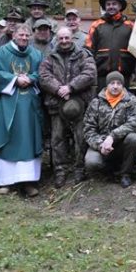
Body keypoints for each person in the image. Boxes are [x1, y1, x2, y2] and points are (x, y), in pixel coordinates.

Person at [0, 24, 45, 197]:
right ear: (14, 35)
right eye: (21, 35)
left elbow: (42, 72)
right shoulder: (1, 53)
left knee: (28, 137)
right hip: (6, 101)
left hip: (29, 102)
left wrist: (30, 78)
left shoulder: (36, 54)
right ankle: (5, 181)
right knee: (6, 136)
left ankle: (28, 181)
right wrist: (14, 79)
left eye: (27, 35)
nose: (24, 38)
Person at [39, 27, 97, 188]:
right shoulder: (49, 57)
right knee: (57, 138)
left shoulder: (84, 54)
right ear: (56, 39)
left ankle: (80, 169)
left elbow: (89, 73)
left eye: (67, 38)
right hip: (56, 103)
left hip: (80, 103)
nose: (64, 41)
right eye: (61, 38)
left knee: (81, 138)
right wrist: (58, 88)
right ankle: (60, 170)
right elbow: (43, 76)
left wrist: (70, 87)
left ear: (72, 38)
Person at [83, 71, 136, 188]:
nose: (115, 86)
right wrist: (100, 145)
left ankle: (125, 173)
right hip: (102, 144)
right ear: (107, 85)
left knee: (134, 138)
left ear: (123, 85)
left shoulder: (131, 101)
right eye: (112, 83)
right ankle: (110, 170)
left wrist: (112, 136)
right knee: (91, 162)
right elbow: (88, 129)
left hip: (121, 143)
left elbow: (133, 123)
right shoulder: (96, 103)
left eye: (119, 83)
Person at [85, 0, 135, 89]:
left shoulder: (130, 26)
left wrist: (134, 72)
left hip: (124, 73)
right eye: (108, 4)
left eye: (114, 4)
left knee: (124, 101)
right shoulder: (96, 25)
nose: (111, 6)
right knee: (103, 100)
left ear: (120, 6)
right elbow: (88, 50)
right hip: (102, 74)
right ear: (105, 7)